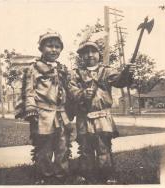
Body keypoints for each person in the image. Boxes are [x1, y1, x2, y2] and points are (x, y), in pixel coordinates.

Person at [68, 35, 135, 184]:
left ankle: (107, 174)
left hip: (102, 116)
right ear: (80, 56)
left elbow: (120, 81)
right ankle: (86, 174)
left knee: (103, 145)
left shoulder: (107, 71)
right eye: (85, 52)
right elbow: (71, 91)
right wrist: (82, 94)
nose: (90, 55)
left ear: (99, 54)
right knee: (85, 147)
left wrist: (128, 72)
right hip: (83, 116)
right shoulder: (75, 73)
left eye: (93, 51)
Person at [15, 30, 73, 184]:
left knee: (63, 146)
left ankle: (61, 175)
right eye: (49, 46)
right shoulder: (34, 68)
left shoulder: (63, 69)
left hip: (60, 113)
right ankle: (45, 176)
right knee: (44, 147)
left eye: (57, 46)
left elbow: (69, 90)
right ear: (41, 48)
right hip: (43, 114)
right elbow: (29, 91)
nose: (54, 50)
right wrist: (31, 109)